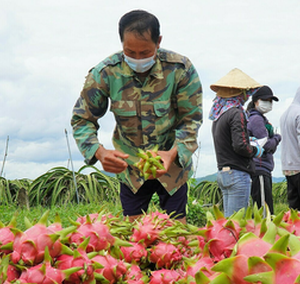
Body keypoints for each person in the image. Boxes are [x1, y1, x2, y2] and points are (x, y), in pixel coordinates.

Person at [71, 10, 203, 223]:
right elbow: (82, 119)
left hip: (172, 167)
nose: (138, 59)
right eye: (130, 52)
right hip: (130, 168)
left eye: (145, 52)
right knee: (133, 239)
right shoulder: (105, 73)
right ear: (121, 43)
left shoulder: (180, 70)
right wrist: (99, 152)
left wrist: (172, 154)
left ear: (158, 42)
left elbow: (191, 120)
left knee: (177, 237)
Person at [210, 68, 264, 218]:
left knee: (229, 220)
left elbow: (229, 140)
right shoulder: (236, 112)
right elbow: (240, 146)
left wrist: (248, 140)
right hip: (237, 173)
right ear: (240, 93)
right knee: (236, 223)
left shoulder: (219, 114)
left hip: (223, 172)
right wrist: (255, 150)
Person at [246, 85, 282, 214]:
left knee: (263, 209)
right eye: (265, 100)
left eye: (270, 101)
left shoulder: (256, 118)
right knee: (264, 212)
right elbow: (266, 145)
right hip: (260, 168)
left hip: (260, 168)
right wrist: (277, 137)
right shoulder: (256, 119)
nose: (269, 103)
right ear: (256, 101)